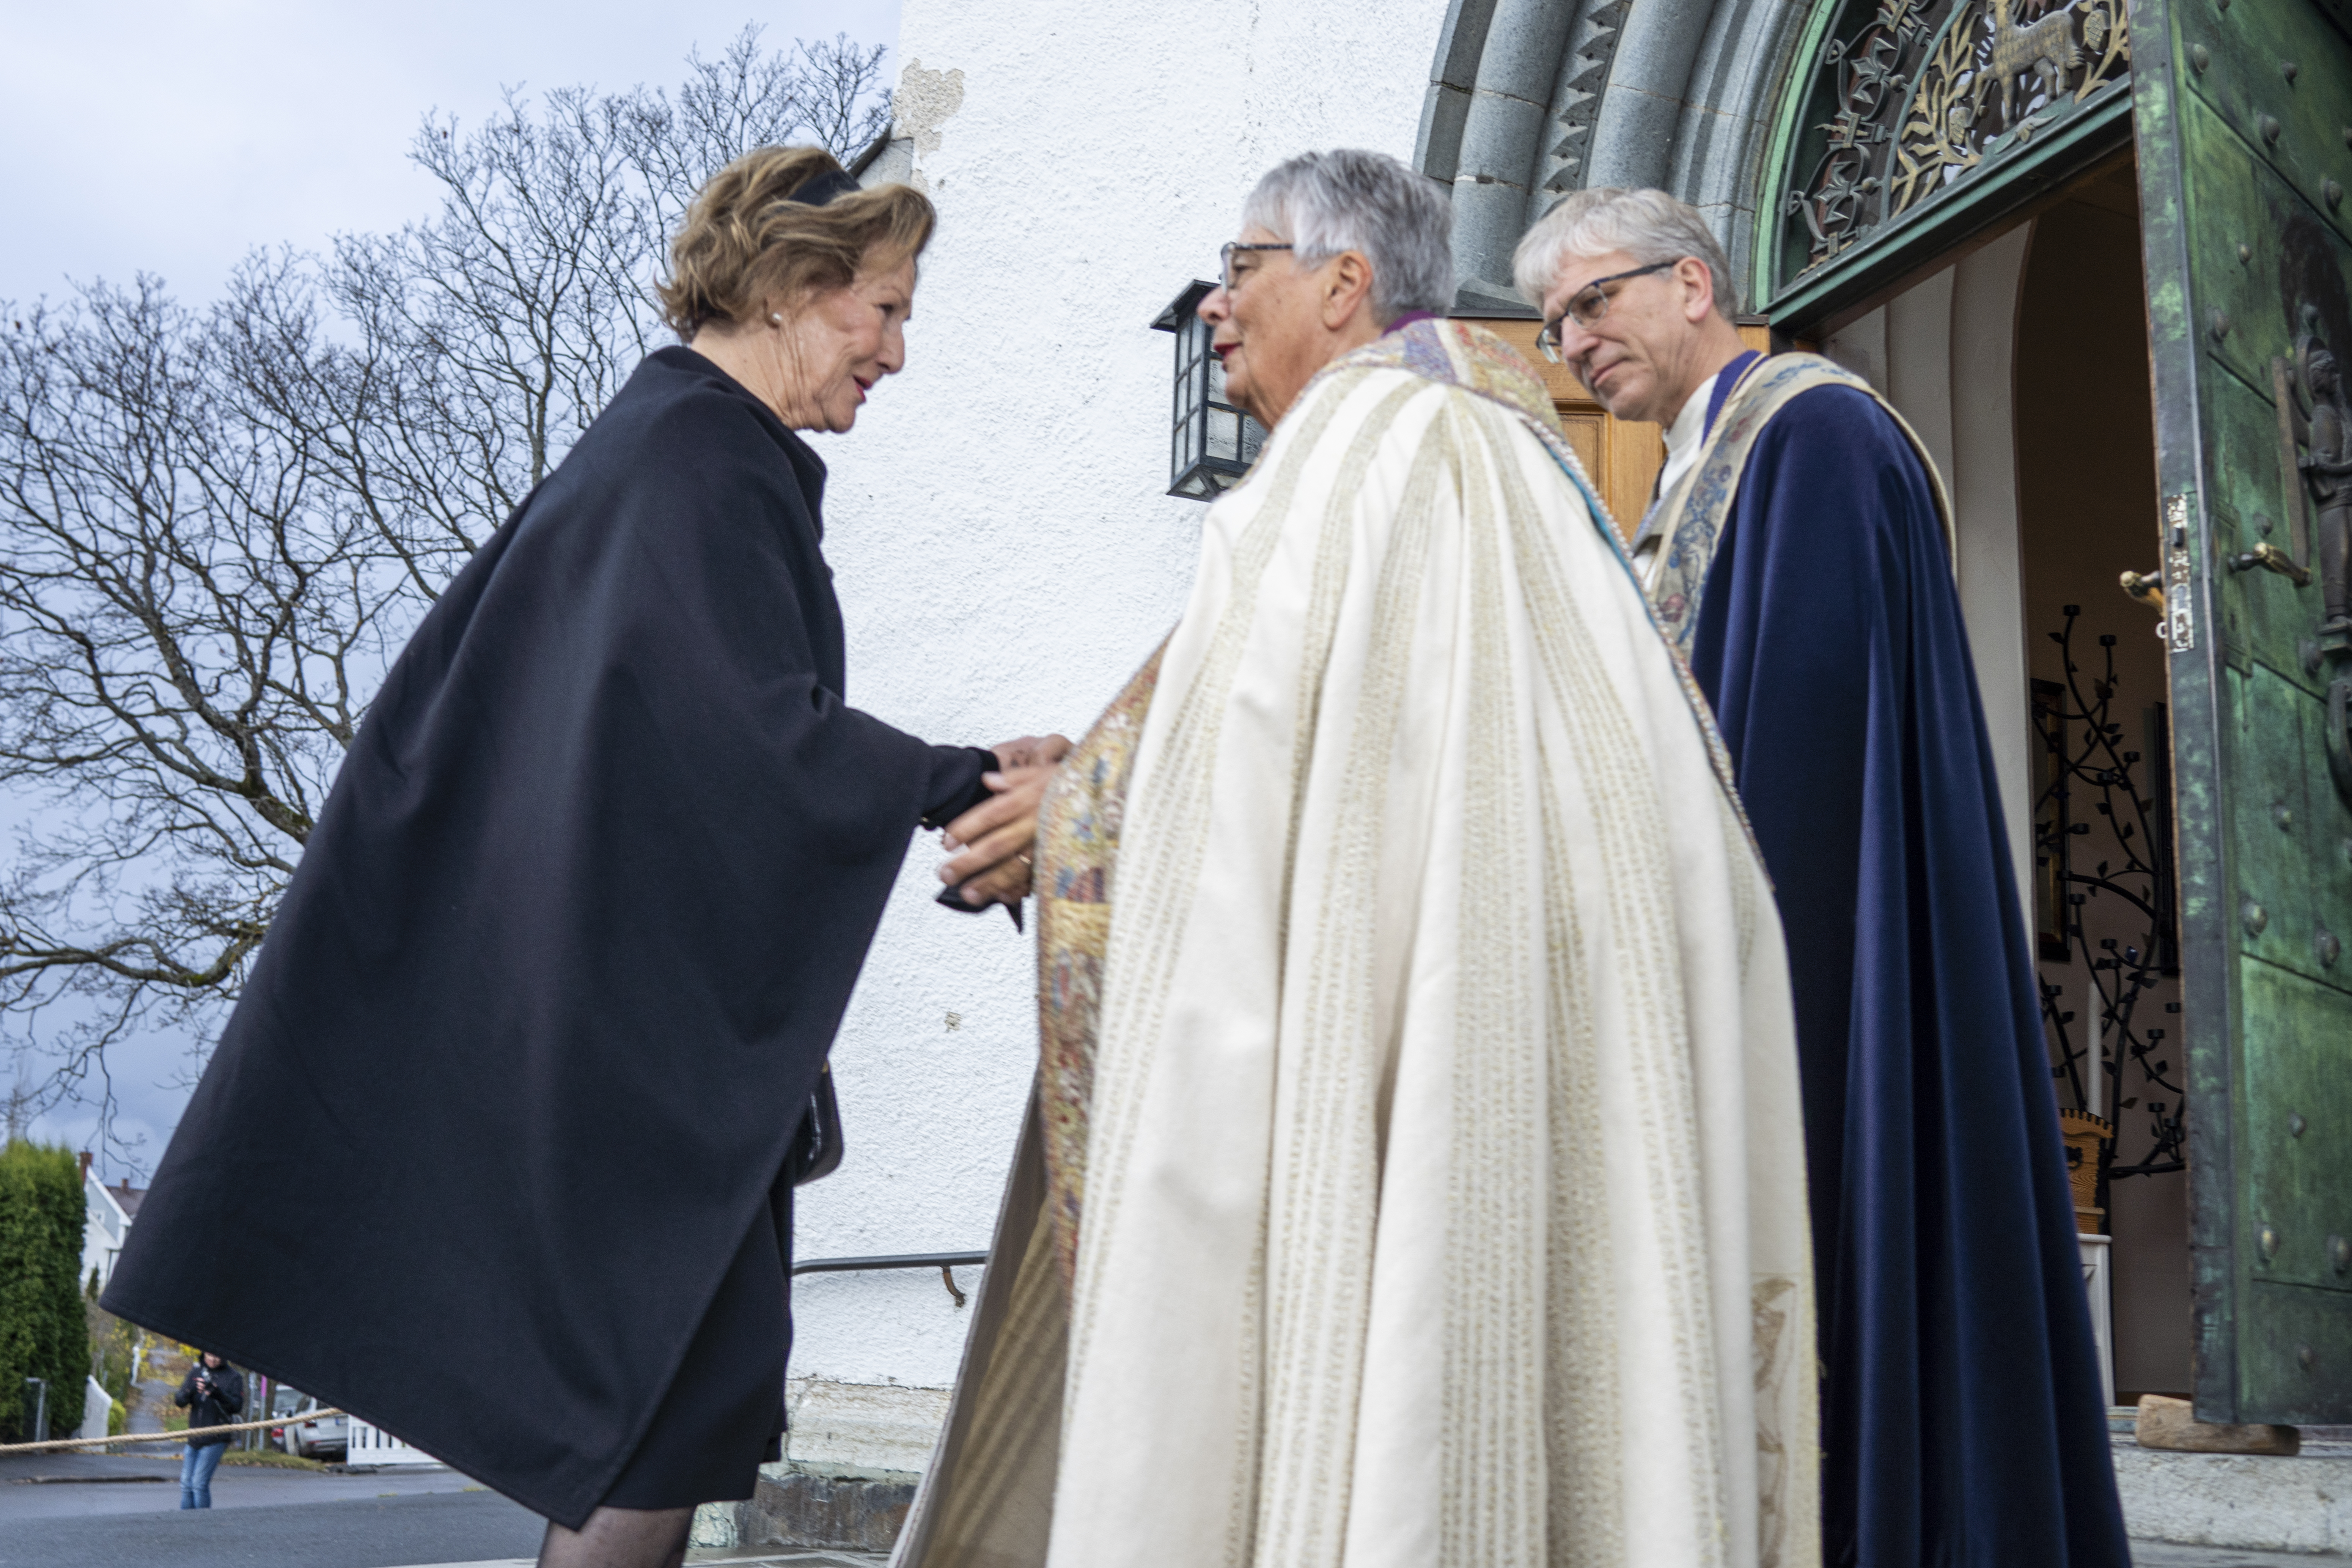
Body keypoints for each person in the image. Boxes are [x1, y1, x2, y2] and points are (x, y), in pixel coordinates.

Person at [101, 146, 1061, 1568]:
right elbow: (732, 737)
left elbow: (673, 749)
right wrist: (966, 782)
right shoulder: (694, 459)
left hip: (640, 1050)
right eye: (885, 308)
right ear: (799, 288)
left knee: (668, 1412)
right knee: (653, 1418)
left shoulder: (680, 451)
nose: (897, 353)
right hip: (631, 1075)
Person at [895, 149, 1818, 1568]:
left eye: (1239, 262)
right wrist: (1094, 774)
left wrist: (1083, 809)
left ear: (1342, 285)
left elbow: (1252, 780)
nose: (1212, 304)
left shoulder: (1358, 453)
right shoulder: (1517, 460)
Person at [1514, 186, 2130, 1568]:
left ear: (1690, 283)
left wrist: (1702, 973)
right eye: (1551, 322)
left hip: (1805, 966)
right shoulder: (1699, 465)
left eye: (1593, 298)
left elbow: (1794, 760)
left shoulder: (1808, 429)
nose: (1570, 339)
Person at [174, 1352, 244, 1509]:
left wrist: (217, 1393)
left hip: (216, 1437)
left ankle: (203, 1524)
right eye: (209, 1355)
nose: (213, 1359)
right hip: (194, 1437)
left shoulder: (234, 1377)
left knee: (199, 1484)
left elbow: (237, 1406)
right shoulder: (196, 1372)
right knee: (186, 1484)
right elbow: (179, 1401)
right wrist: (191, 1390)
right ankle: (186, 1523)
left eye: (217, 1356)